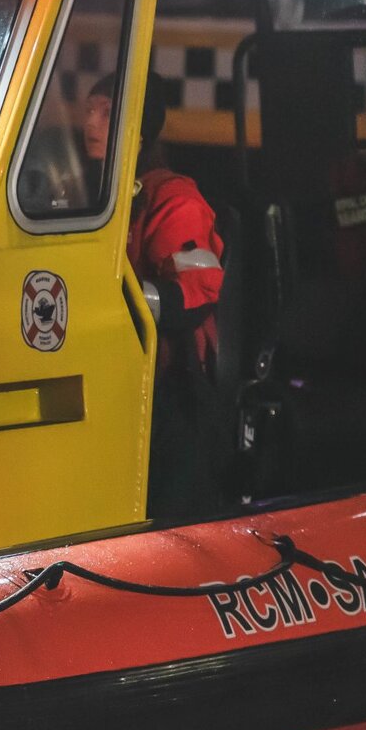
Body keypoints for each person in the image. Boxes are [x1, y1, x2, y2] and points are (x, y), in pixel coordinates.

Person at [83, 74, 228, 517]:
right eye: (90, 109)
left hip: (171, 386)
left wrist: (116, 299)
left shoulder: (175, 200)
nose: (90, 121)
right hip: (113, 375)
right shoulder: (90, 193)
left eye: (107, 112)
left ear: (138, 128)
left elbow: (199, 289)